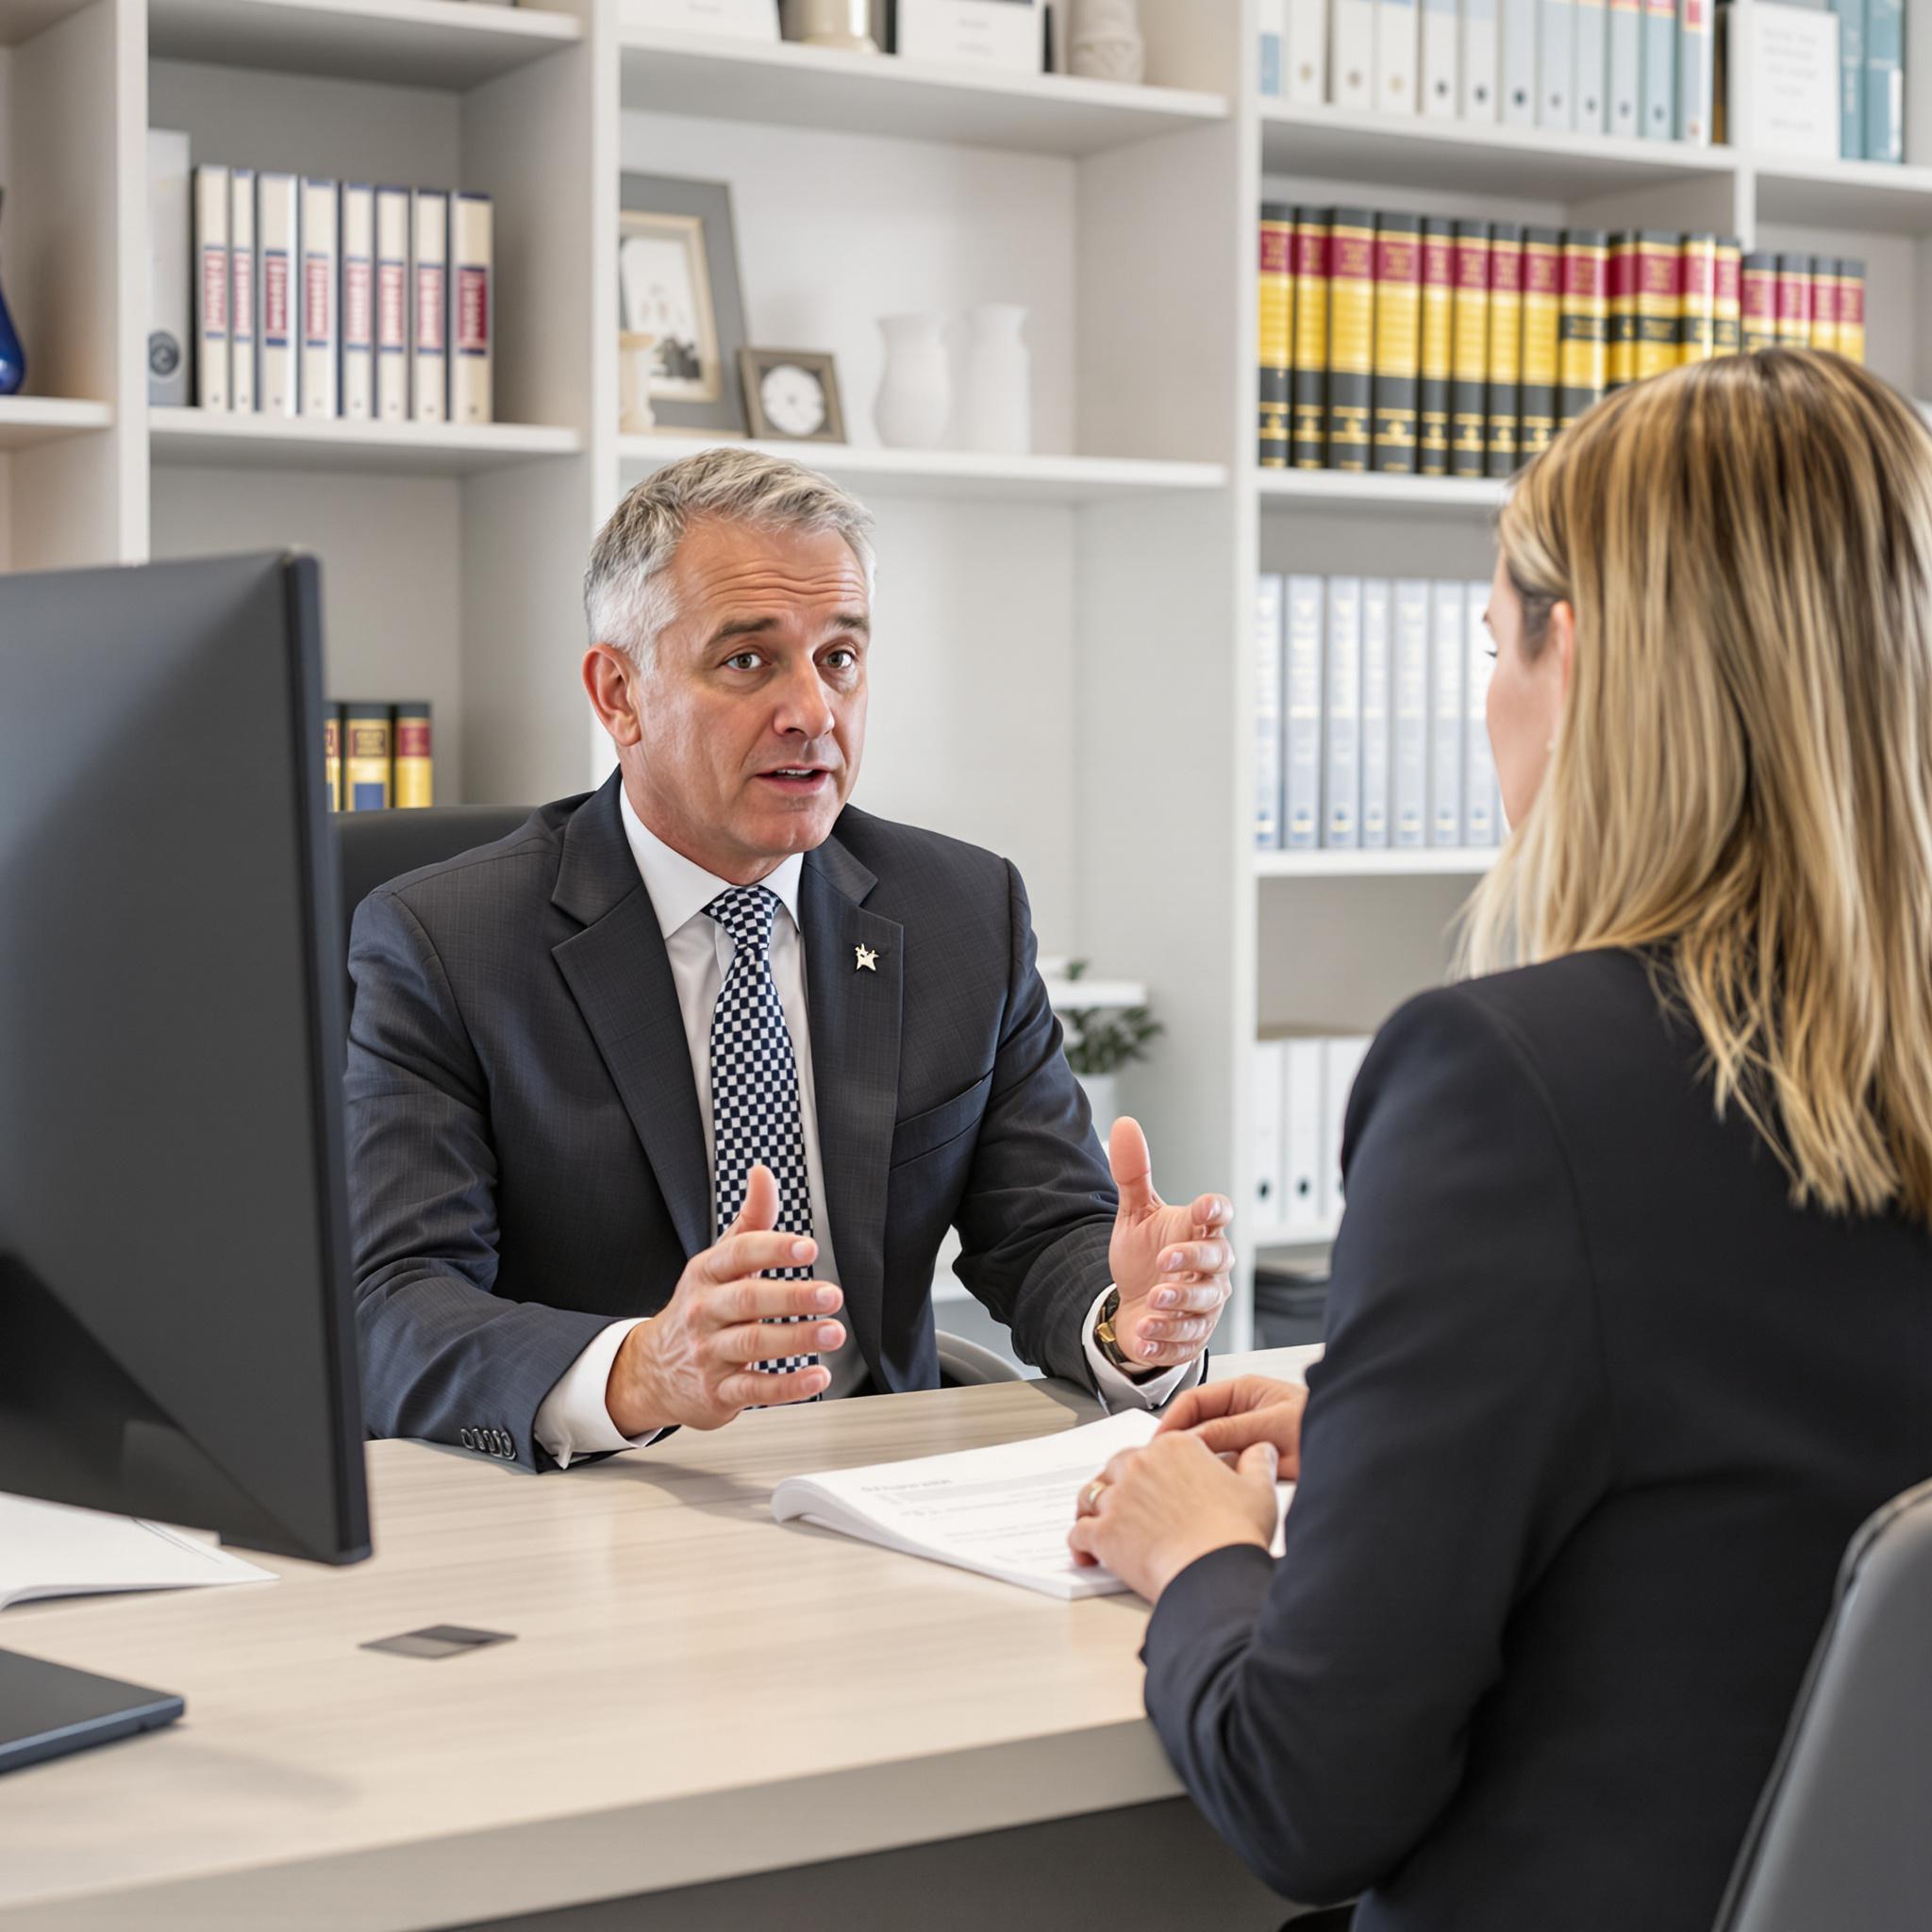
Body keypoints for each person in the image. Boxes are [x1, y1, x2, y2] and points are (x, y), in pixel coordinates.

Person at [1069, 350, 1932, 1930]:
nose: (1484, 701)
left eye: (1489, 642)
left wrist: (1196, 1552)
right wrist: (1398, 1424)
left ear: (1576, 655)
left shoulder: (1514, 1085)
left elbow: (1303, 1787)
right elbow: (1774, 1456)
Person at [348, 447, 1234, 1469]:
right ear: (618, 693)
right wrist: (642, 1369)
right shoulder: (448, 943)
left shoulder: (960, 912)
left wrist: (1129, 1315)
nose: (813, 710)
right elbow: (393, 1305)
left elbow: (1043, 1231)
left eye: (840, 659)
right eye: (747, 660)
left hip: (882, 1491)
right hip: (600, 1493)